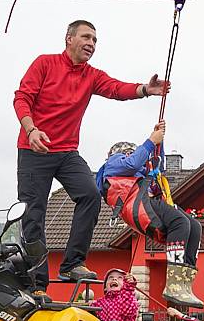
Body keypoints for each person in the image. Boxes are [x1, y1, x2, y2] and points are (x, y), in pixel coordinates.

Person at [13, 19, 168, 295]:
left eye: (95, 40)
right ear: (69, 39)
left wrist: (146, 89)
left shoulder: (91, 75)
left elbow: (115, 88)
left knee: (89, 194)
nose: (91, 44)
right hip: (33, 149)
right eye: (86, 37)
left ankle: (72, 263)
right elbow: (22, 98)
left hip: (67, 152)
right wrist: (31, 129)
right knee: (33, 214)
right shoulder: (45, 64)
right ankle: (37, 283)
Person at [96, 121, 203, 308]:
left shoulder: (139, 171)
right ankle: (174, 281)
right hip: (140, 204)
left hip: (148, 202)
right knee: (179, 222)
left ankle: (184, 280)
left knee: (194, 226)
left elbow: (157, 167)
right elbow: (133, 162)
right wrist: (150, 141)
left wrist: (158, 143)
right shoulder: (113, 164)